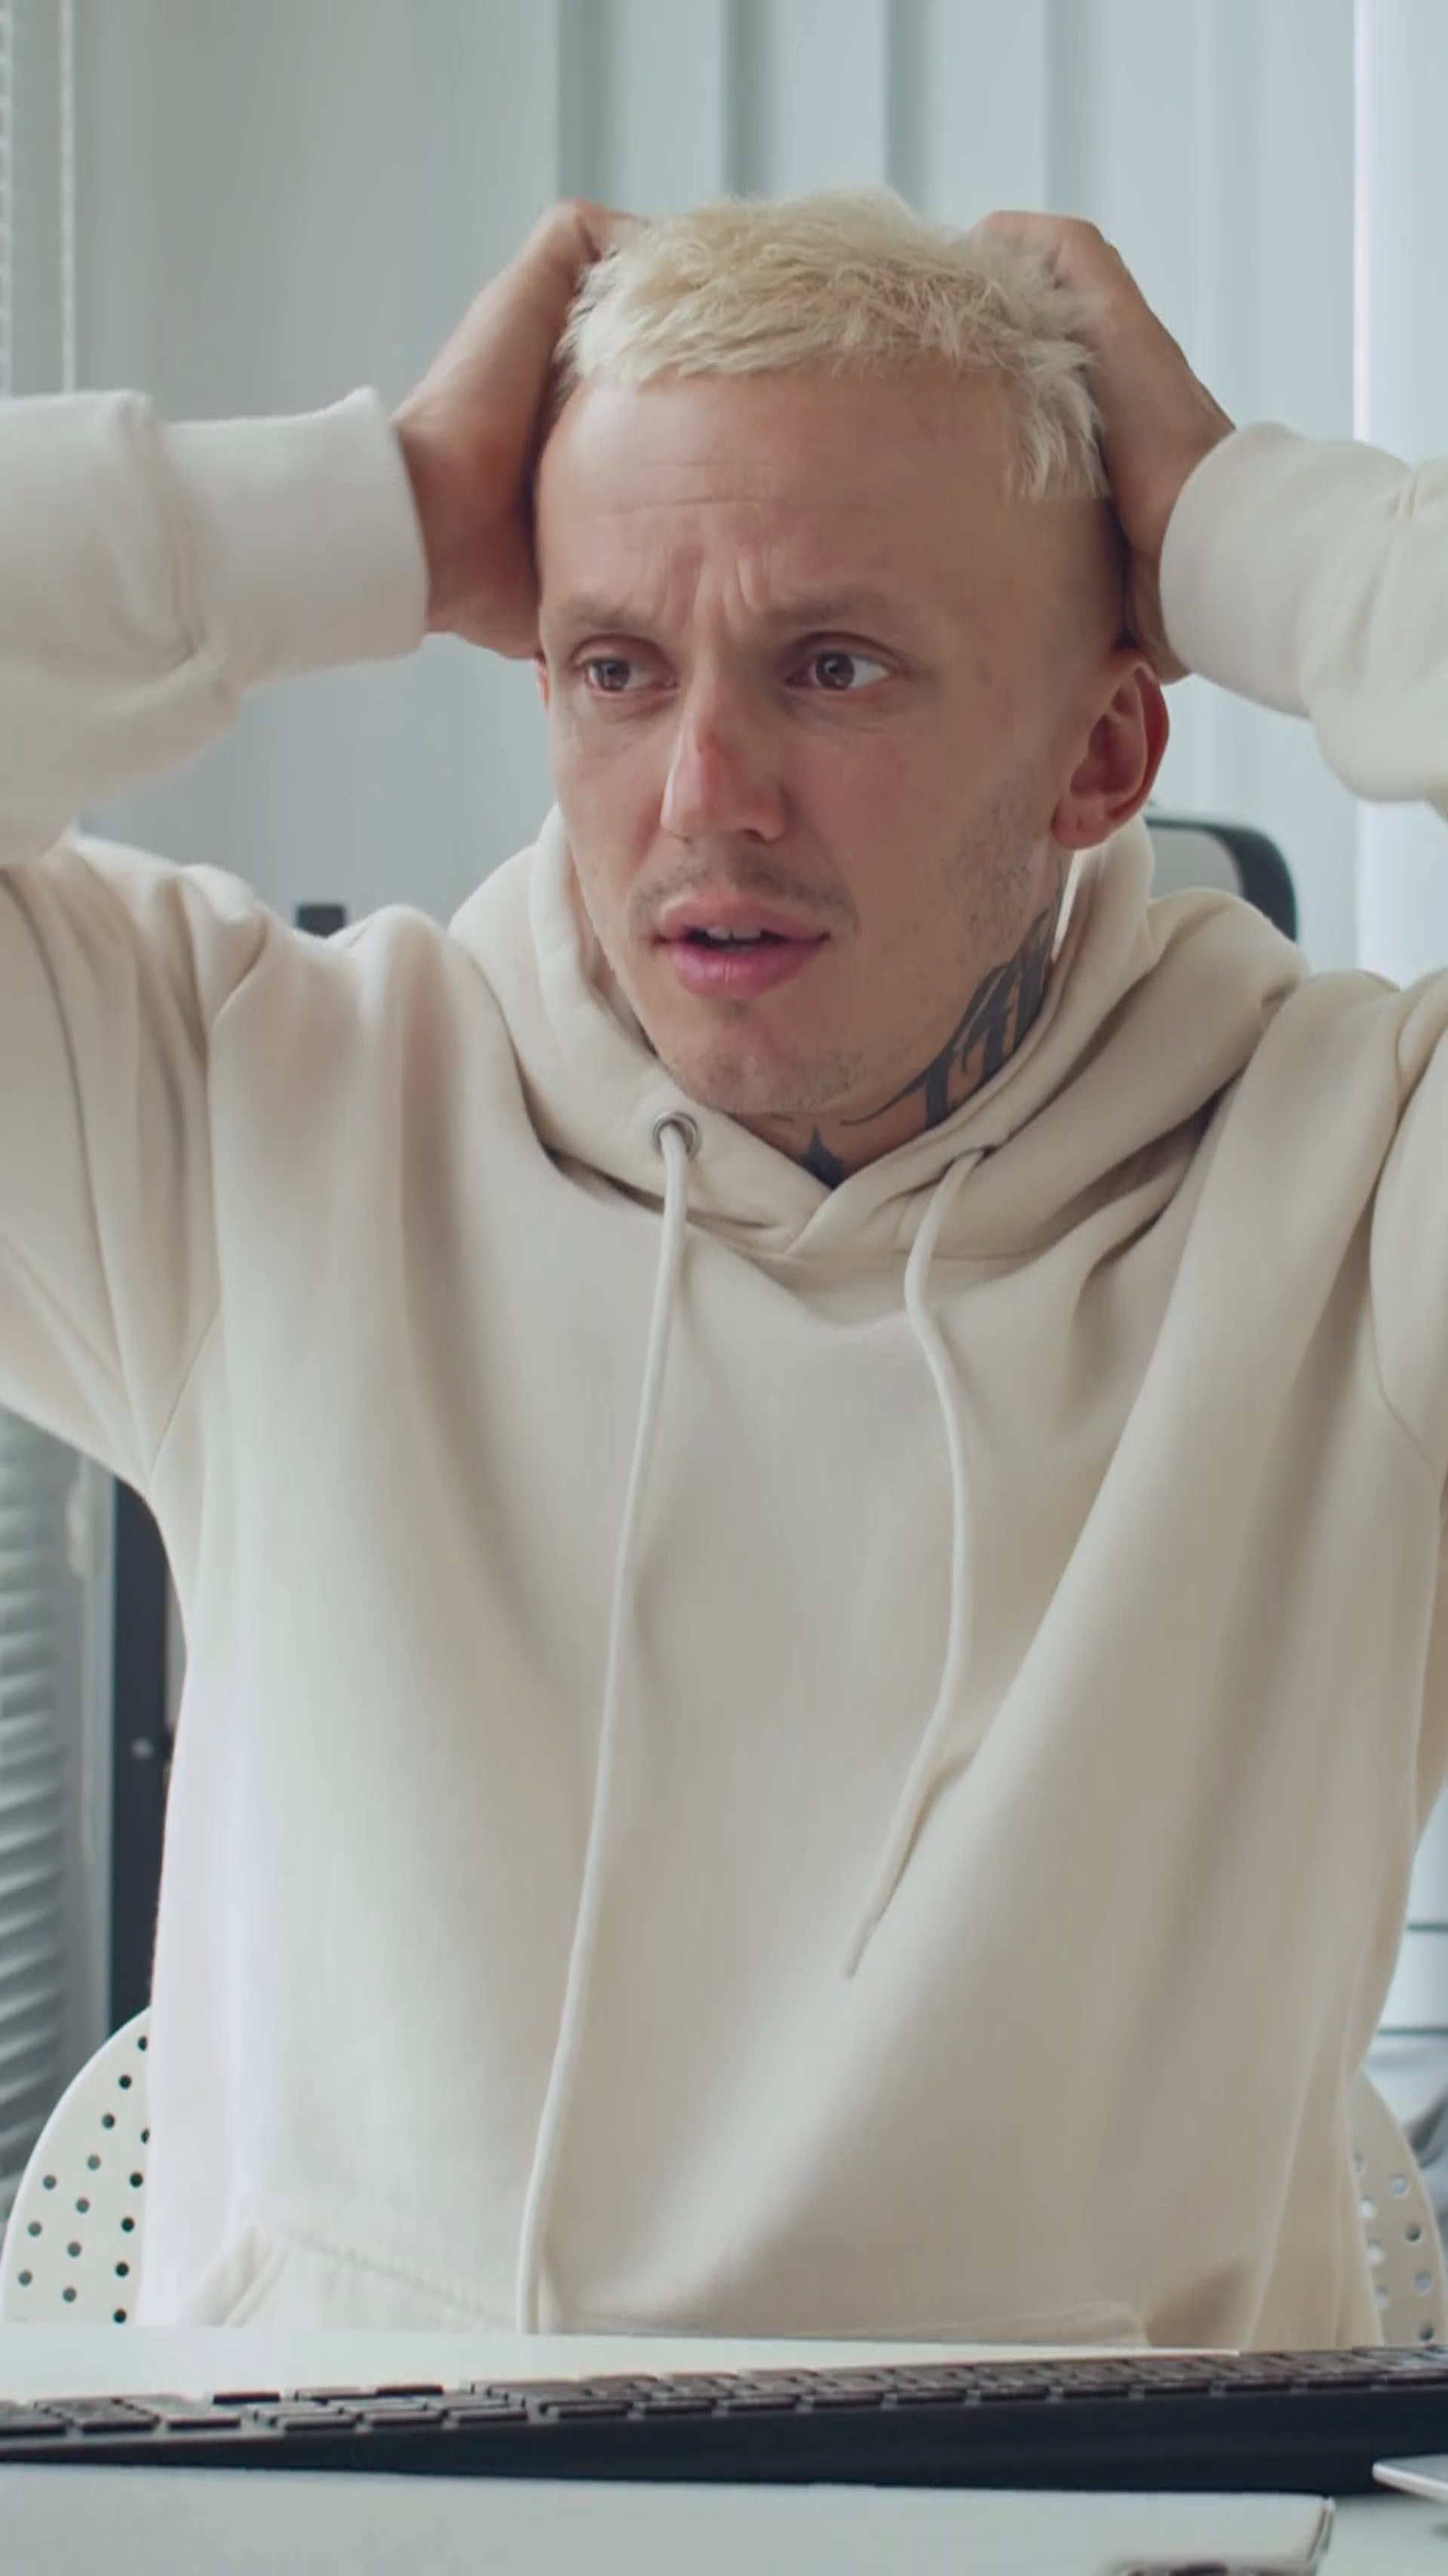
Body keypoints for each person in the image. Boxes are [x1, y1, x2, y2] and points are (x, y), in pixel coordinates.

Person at [1, 186, 1443, 2346]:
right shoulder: (249, 1111)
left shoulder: (1363, 1201)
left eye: (833, 667)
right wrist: (365, 513)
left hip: (1113, 2514)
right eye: (616, 668)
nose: (704, 794)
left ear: (1105, 752)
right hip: (354, 2511)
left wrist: (1258, 533)